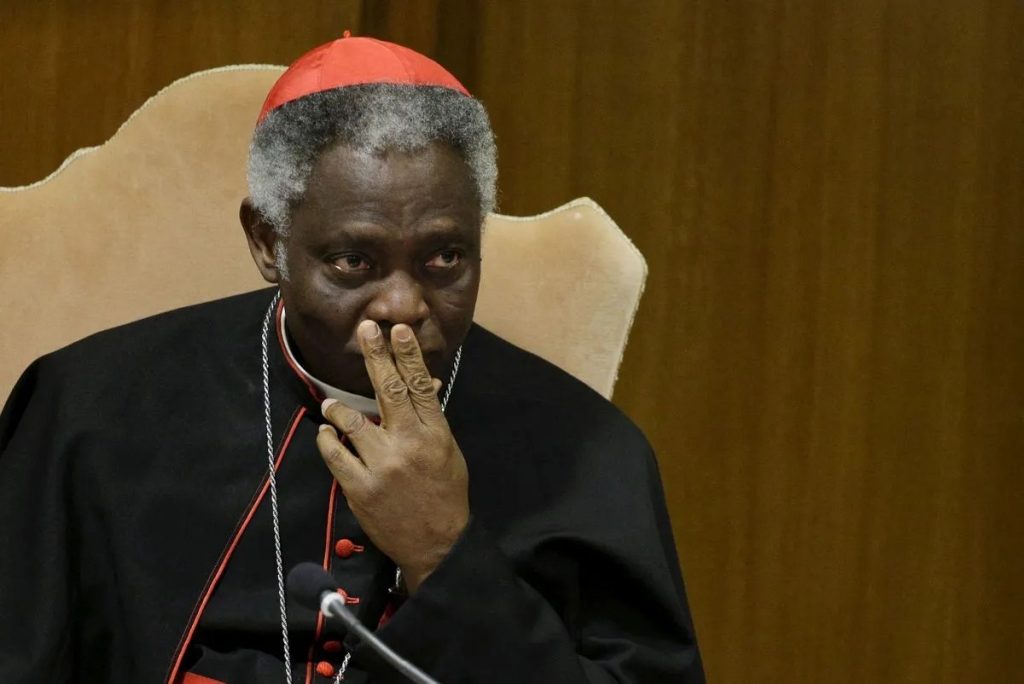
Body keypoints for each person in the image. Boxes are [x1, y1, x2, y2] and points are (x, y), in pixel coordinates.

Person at [0, 35, 704, 683]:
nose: (403, 305)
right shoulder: (89, 410)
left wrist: (443, 553)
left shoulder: (590, 453)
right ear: (268, 242)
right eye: (353, 261)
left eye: (444, 258)